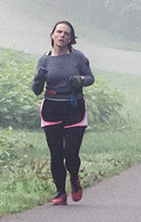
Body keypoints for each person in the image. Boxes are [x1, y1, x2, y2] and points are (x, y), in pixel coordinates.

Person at [31, 20, 94, 206]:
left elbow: (90, 78)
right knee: (56, 154)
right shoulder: (44, 60)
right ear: (52, 34)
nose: (62, 36)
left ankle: (74, 178)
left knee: (71, 154)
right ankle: (60, 192)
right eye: (59, 32)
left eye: (66, 33)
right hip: (52, 108)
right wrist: (38, 79)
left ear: (71, 38)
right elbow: (36, 90)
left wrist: (80, 80)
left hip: (74, 107)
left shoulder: (77, 57)